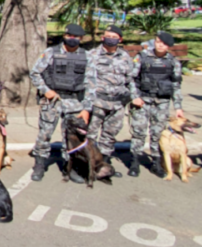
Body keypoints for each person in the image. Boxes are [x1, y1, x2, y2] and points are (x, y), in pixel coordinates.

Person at [28, 23, 88, 182]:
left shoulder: (86, 56)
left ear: (81, 39)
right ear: (65, 36)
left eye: (76, 37)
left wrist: (87, 108)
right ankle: (40, 165)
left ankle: (69, 167)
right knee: (45, 134)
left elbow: (92, 83)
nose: (72, 39)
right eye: (69, 36)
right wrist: (45, 90)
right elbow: (35, 73)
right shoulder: (50, 53)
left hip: (75, 101)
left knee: (71, 136)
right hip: (53, 100)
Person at [78, 25, 133, 177]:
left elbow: (130, 80)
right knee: (90, 136)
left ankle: (103, 166)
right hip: (97, 103)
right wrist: (86, 105)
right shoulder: (92, 55)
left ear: (120, 40)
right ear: (102, 38)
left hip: (117, 105)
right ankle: (86, 168)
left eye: (115, 37)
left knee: (109, 137)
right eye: (108, 36)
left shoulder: (125, 57)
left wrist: (131, 98)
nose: (111, 39)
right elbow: (85, 80)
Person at [128, 31, 183, 178]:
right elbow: (131, 79)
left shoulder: (173, 62)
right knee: (138, 131)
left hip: (162, 102)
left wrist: (178, 107)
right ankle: (134, 162)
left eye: (164, 44)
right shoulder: (142, 57)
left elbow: (176, 85)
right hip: (142, 101)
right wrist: (134, 97)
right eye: (158, 42)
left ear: (169, 46)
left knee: (157, 133)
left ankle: (156, 163)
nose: (160, 45)